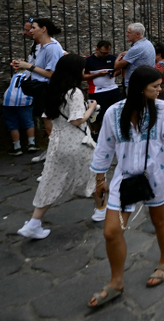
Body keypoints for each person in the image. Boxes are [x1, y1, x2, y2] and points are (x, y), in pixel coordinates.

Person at [88, 66, 164, 309]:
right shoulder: (114, 113)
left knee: (159, 219)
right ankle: (116, 282)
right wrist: (100, 180)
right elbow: (104, 147)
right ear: (140, 88)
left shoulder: (162, 109)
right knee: (111, 231)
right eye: (155, 86)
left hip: (159, 173)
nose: (160, 89)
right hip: (125, 177)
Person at [16, 54, 102, 239]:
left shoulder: (52, 90)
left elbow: (48, 116)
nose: (84, 71)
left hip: (58, 142)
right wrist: (91, 108)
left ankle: (34, 222)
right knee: (94, 175)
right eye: (82, 68)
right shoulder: (75, 92)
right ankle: (101, 209)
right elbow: (77, 120)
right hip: (78, 142)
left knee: (51, 181)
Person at [5, 20, 39, 155]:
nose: (25, 33)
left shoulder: (17, 75)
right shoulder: (28, 73)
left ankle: (17, 147)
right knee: (28, 122)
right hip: (25, 100)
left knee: (12, 124)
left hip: (8, 101)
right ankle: (31, 144)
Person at [82, 40, 121, 142]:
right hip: (97, 91)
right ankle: (103, 136)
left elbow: (118, 69)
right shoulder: (88, 61)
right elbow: (82, 76)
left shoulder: (112, 58)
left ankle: (115, 134)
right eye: (103, 53)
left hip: (113, 88)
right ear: (97, 50)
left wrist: (114, 73)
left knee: (117, 112)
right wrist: (98, 74)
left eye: (107, 53)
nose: (105, 55)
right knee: (100, 115)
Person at [114, 23, 156, 90]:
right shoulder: (148, 43)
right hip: (146, 81)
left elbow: (117, 66)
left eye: (129, 32)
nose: (126, 34)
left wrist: (120, 55)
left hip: (135, 85)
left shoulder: (136, 48)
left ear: (137, 34)